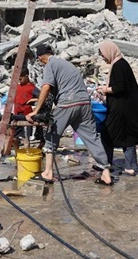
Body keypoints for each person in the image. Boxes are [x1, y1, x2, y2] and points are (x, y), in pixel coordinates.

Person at [27, 44, 113, 185]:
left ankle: (48, 172)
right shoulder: (66, 64)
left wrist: (35, 111)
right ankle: (106, 173)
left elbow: (46, 87)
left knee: (51, 135)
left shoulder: (50, 65)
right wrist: (39, 101)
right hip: (84, 103)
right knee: (91, 137)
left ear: (40, 57)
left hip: (68, 102)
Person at [96, 40, 138, 176]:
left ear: (109, 52)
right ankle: (128, 166)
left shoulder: (119, 66)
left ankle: (106, 164)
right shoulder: (121, 63)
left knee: (108, 134)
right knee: (126, 136)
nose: (103, 58)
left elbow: (120, 87)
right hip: (125, 107)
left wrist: (105, 90)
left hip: (121, 108)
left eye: (103, 55)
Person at [5, 67, 42, 155]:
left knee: (26, 137)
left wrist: (32, 100)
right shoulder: (17, 87)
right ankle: (17, 154)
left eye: (21, 79)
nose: (20, 81)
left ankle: (27, 154)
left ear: (26, 76)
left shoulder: (31, 88)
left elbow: (43, 97)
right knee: (15, 137)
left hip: (26, 115)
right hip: (16, 114)